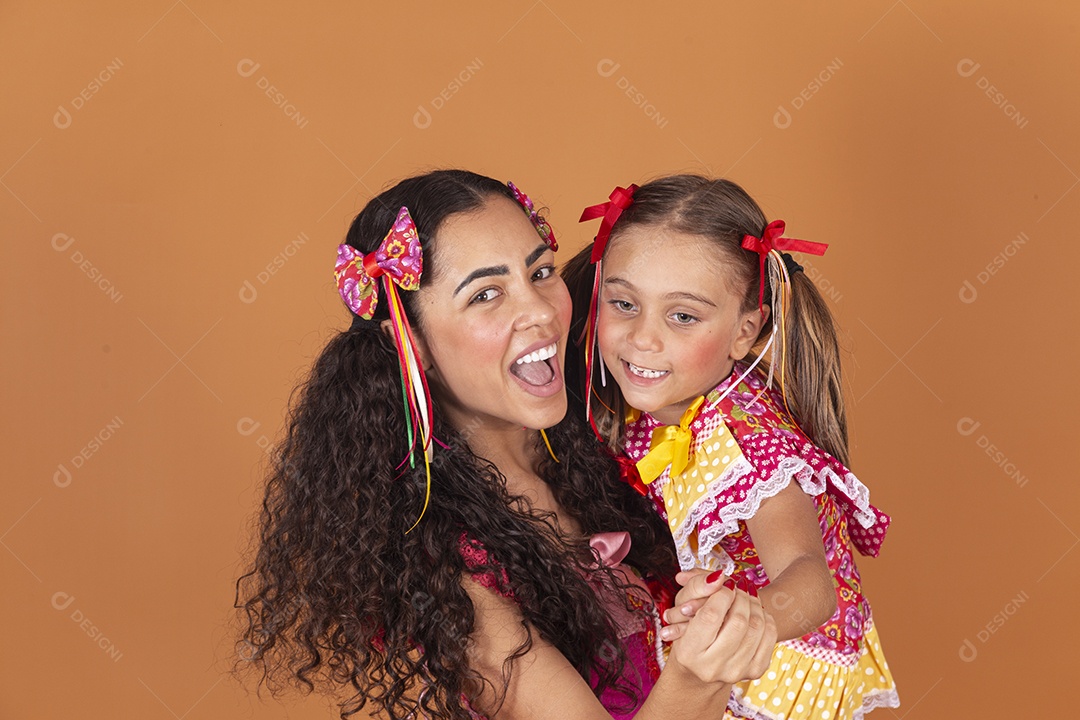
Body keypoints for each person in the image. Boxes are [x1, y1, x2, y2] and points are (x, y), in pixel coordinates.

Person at [234, 169, 777, 720]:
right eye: (487, 293)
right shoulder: (446, 573)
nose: (541, 311)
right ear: (411, 343)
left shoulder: (613, 436)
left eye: (540, 271)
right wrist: (698, 678)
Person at [563, 175, 899, 719]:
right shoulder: (662, 399)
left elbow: (812, 583)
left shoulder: (747, 440)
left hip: (771, 664)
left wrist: (740, 617)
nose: (643, 338)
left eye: (683, 316)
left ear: (745, 332)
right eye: (624, 303)